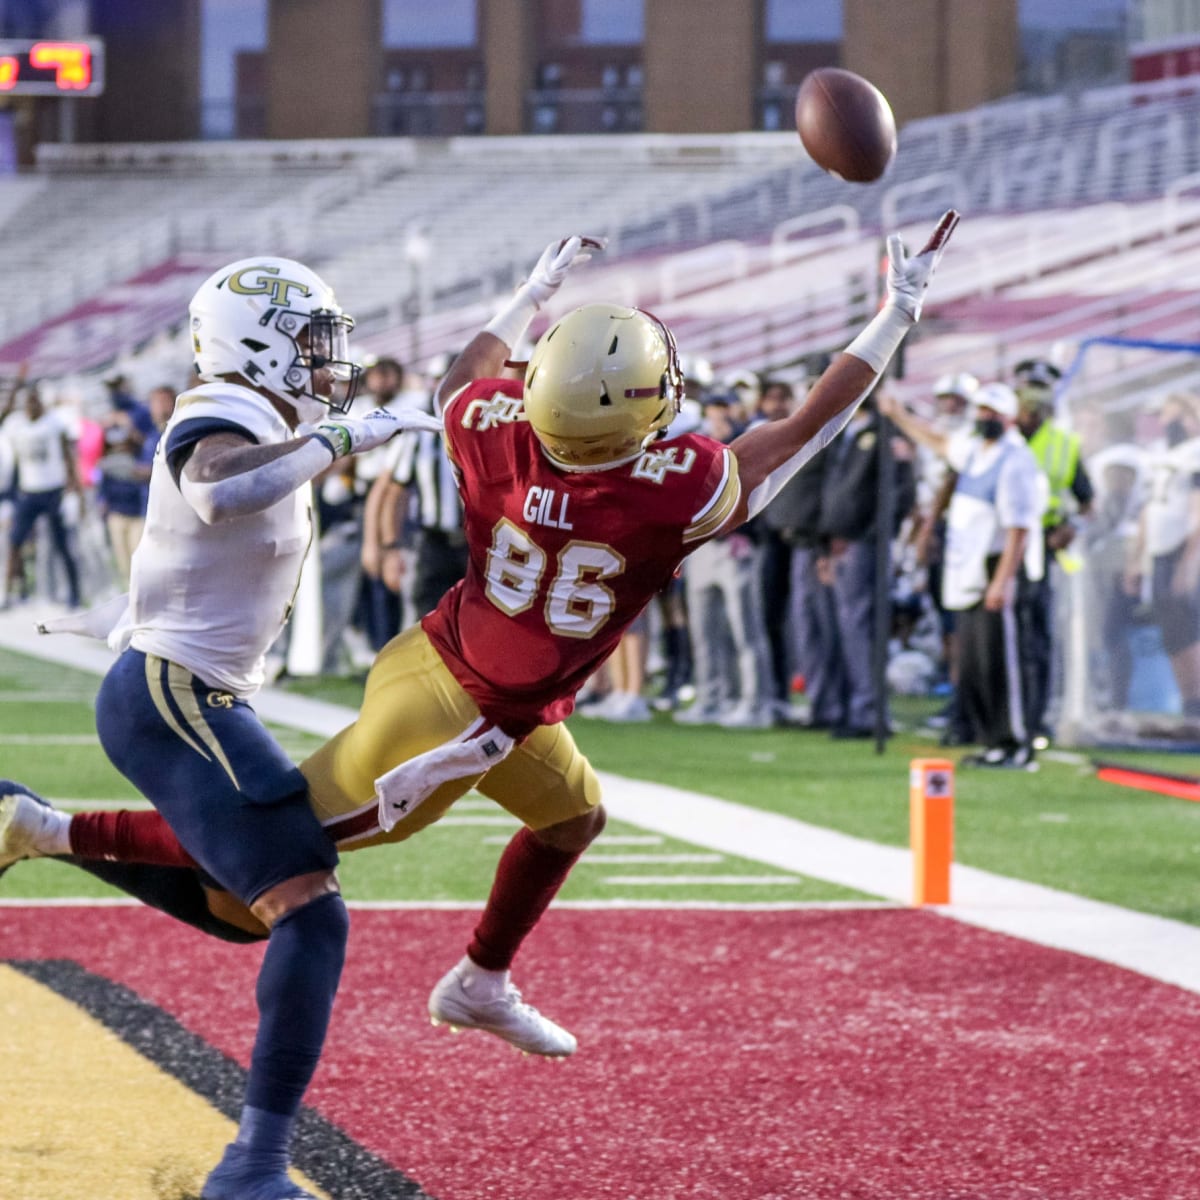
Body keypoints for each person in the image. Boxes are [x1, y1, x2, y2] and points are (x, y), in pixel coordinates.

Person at [2, 211, 958, 1067]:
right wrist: (896, 314)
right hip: (453, 726)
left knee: (573, 818)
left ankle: (481, 982)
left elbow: (467, 373)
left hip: (460, 669)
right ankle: (44, 829)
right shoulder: (668, 490)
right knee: (254, 877)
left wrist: (529, 294)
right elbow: (807, 428)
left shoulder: (491, 427)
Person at [6, 257, 436, 1200]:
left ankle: (38, 830)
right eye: (313, 341)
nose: (331, 360)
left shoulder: (271, 417)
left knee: (246, 910)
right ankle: (252, 1163)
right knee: (310, 915)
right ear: (258, 341)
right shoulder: (225, 411)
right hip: (172, 693)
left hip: (193, 691)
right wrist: (346, 436)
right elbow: (215, 489)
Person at [882, 380, 1046, 768]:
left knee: (1001, 662)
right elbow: (939, 442)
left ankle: (1015, 743)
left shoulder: (1015, 460)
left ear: (1008, 418)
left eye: (992, 412)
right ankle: (992, 740)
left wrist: (1002, 581)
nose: (984, 418)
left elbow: (1018, 527)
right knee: (975, 663)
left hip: (993, 568)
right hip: (968, 570)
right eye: (982, 411)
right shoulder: (976, 453)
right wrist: (898, 414)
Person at [815, 386, 916, 738]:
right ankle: (854, 706)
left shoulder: (886, 433)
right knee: (847, 628)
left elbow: (902, 491)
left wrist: (871, 533)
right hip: (841, 543)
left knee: (861, 628)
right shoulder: (845, 431)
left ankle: (868, 712)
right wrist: (826, 545)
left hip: (863, 545)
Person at [1012, 358, 1094, 747]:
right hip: (993, 548)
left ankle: (1033, 719)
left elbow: (1088, 503)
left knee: (1033, 637)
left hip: (1039, 548)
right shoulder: (999, 435)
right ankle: (990, 717)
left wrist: (1071, 528)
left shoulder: (1064, 444)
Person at [1125, 392, 1200, 718]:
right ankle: (1189, 701)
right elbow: (1148, 510)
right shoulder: (1160, 458)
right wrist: (1136, 558)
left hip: (1185, 550)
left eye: (1171, 415)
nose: (1165, 423)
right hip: (1161, 551)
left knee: (1191, 629)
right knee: (1172, 631)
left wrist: (1189, 561)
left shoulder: (1195, 452)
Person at [1, 383, 83, 608]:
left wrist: (74, 491)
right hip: (28, 492)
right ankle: (8, 593)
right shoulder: (17, 425)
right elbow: (3, 416)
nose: (31, 406)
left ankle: (74, 592)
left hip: (53, 491)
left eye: (34, 401)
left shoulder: (54, 424)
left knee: (61, 544)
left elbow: (68, 458)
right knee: (15, 541)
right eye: (28, 402)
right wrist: (17, 384)